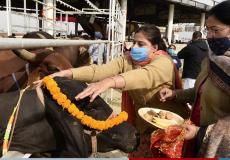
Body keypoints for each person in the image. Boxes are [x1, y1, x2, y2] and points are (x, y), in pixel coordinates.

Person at [34, 24, 189, 157]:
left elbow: (144, 76)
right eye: (133, 42)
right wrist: (67, 73)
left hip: (170, 127)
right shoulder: (128, 60)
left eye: (141, 44)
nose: (134, 47)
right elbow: (99, 71)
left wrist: (110, 81)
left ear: (154, 47)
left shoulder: (164, 62)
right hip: (143, 127)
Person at [159, 0, 230, 157]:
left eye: (215, 30)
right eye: (208, 30)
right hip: (196, 134)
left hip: (220, 148)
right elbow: (201, 91)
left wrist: (202, 133)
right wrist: (175, 94)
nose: (210, 36)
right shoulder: (211, 58)